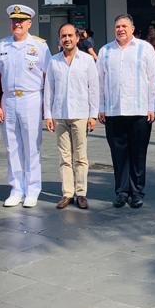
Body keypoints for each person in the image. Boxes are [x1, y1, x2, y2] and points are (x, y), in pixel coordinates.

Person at [0, 5, 52, 208]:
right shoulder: (2, 46)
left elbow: (47, 77)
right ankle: (17, 189)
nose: (17, 24)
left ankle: (33, 190)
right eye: (14, 21)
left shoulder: (39, 46)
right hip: (9, 100)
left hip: (31, 98)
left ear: (29, 23)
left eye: (21, 21)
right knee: (12, 146)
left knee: (32, 146)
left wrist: (47, 107)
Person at [98, 14, 155, 209]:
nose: (120, 29)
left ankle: (137, 192)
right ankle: (121, 191)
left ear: (132, 28)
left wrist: (153, 106)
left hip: (140, 111)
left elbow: (153, 79)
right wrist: (101, 107)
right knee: (118, 154)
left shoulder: (145, 48)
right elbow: (99, 82)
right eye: (117, 26)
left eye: (124, 26)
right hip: (114, 112)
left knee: (138, 153)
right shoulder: (105, 51)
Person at [44, 23, 100, 209]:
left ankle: (81, 193)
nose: (67, 39)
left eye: (70, 36)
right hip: (60, 114)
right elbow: (48, 90)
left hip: (80, 113)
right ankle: (67, 193)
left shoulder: (87, 60)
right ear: (59, 39)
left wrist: (93, 115)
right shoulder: (53, 61)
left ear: (77, 38)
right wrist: (48, 115)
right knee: (64, 156)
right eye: (63, 36)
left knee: (81, 156)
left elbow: (94, 89)